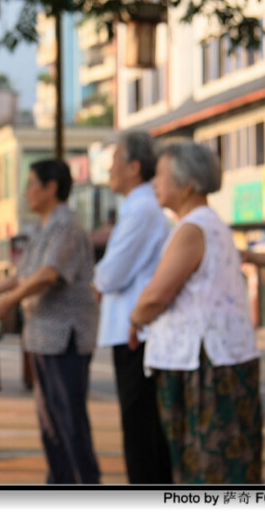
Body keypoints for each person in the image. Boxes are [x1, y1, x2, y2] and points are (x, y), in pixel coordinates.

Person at [129, 141, 262, 484]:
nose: (154, 183)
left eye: (160, 176)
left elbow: (157, 294)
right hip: (223, 356)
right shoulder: (212, 224)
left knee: (206, 464)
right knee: (230, 462)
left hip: (203, 363)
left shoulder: (192, 229)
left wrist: (136, 318)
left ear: (186, 185)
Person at [0, 159, 100, 484]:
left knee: (69, 422)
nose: (27, 192)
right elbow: (20, 276)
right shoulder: (43, 226)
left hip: (64, 338)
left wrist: (9, 301)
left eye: (31, 185)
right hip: (43, 338)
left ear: (52, 188)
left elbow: (48, 273)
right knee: (50, 424)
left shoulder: (65, 224)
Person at [92, 131, 172, 484]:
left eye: (115, 161)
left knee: (141, 433)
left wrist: (98, 279)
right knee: (144, 431)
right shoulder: (138, 208)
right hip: (133, 332)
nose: (110, 168)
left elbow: (109, 275)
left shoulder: (141, 209)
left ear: (135, 167)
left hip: (136, 334)